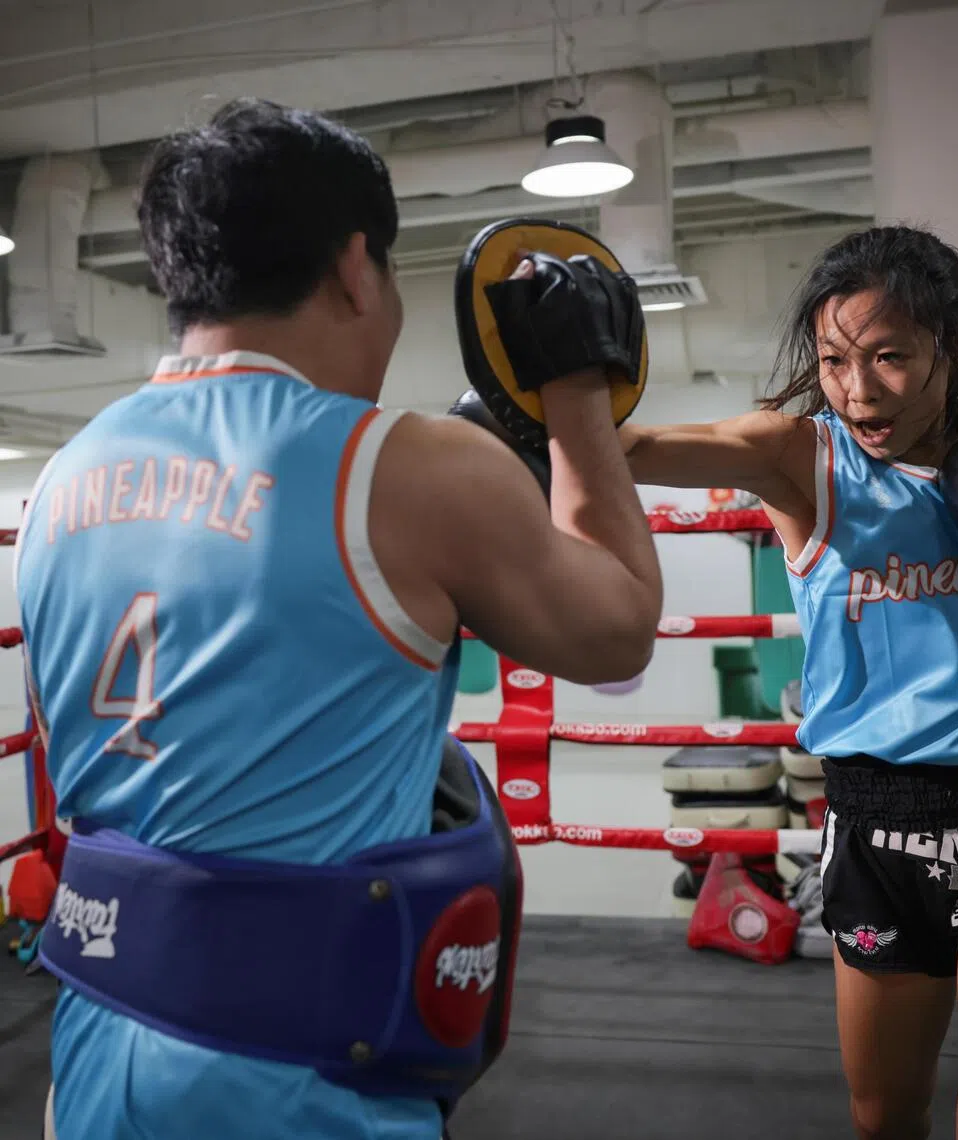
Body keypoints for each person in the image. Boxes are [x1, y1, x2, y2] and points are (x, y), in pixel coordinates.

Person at [15, 98, 662, 1140]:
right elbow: (619, 628)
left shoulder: (65, 478)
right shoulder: (405, 467)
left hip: (94, 1059)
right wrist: (577, 393)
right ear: (358, 266)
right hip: (294, 1089)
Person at [619, 225, 958, 1140]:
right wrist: (550, 402)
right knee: (884, 1117)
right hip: (874, 826)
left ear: (956, 348)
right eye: (834, 360)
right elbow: (650, 447)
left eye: (890, 356)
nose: (858, 390)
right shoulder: (804, 459)